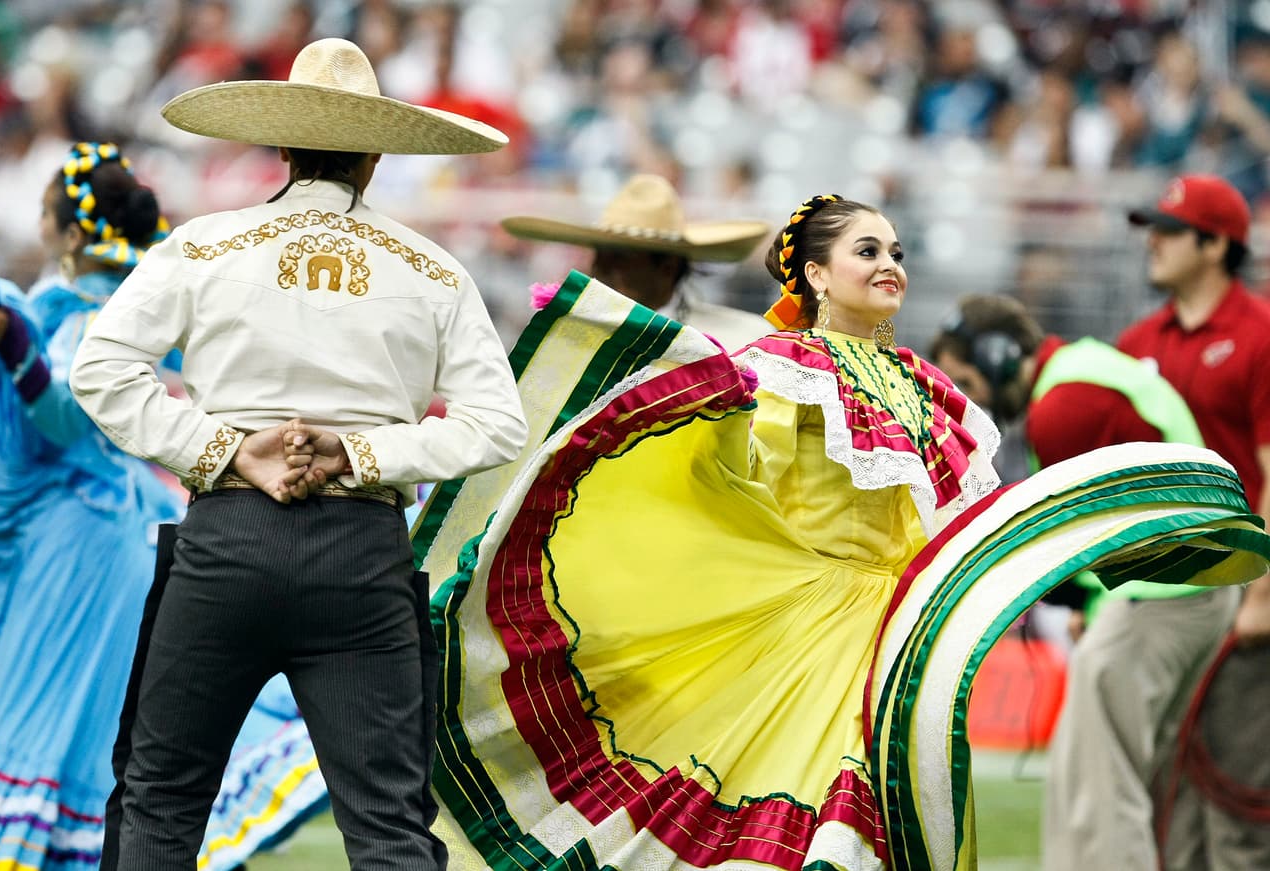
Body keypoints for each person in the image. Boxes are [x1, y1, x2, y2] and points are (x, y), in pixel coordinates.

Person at [396, 194, 1270, 870]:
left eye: (896, 250)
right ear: (814, 274)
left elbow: (961, 523)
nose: (890, 263)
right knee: (817, 823)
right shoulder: (777, 367)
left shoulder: (927, 383)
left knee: (904, 820)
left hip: (903, 640)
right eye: (867, 250)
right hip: (803, 633)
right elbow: (719, 479)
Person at [69, 38, 527, 871]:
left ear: (280, 144)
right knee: (388, 825)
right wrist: (356, 451)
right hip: (362, 556)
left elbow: (99, 368)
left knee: (161, 800)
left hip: (226, 541)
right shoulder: (435, 270)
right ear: (377, 153)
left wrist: (228, 450)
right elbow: (498, 424)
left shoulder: (205, 244)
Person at [928, 294, 1236, 871]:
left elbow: (1078, 536)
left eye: (972, 378)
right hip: (1187, 590)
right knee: (1146, 783)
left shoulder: (1064, 405)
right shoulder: (1090, 366)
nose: (978, 400)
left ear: (999, 356)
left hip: (1156, 598)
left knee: (1097, 787)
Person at [0, 143, 186, 870]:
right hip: (111, 529)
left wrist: (16, 345)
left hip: (78, 538)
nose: (39, 223)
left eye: (45, 211)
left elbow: (69, 413)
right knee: (88, 737)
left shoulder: (80, 307)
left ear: (71, 233)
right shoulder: (133, 299)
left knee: (41, 722)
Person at [1117, 174, 1270, 870]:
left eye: (1171, 230)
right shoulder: (1135, 341)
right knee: (1162, 791)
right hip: (1157, 594)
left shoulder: (1261, 334)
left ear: (1216, 245)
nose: (1154, 241)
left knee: (1237, 792)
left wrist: (1262, 595)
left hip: (1240, 591)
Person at [500, 173, 773, 350]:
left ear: (667, 268)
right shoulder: (562, 338)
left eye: (622, 258)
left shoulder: (737, 343)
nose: (602, 270)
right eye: (600, 254)